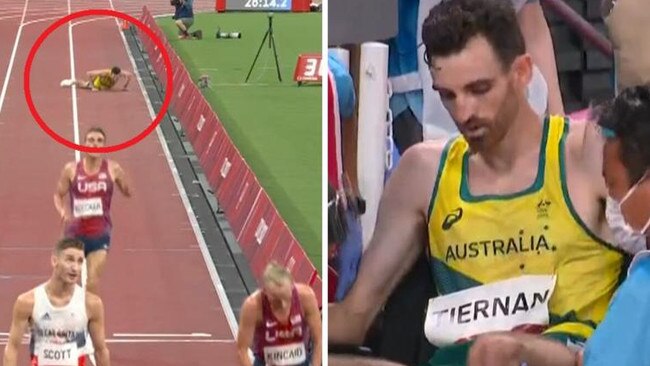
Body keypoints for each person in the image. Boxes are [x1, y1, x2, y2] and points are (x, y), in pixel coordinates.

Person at [328, 0, 628, 365]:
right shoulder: (422, 173)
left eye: (479, 89)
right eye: (448, 95)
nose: (463, 113)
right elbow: (355, 318)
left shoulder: (590, 153)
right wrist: (293, 311)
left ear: (522, 72)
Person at [2, 238, 110, 366]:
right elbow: (12, 348)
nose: (75, 268)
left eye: (80, 261)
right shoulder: (28, 302)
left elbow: (100, 351)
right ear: (54, 261)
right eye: (69, 259)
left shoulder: (91, 304)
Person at [53, 127, 132, 295]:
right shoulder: (71, 169)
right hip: (74, 233)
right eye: (91, 140)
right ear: (84, 144)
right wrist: (62, 211)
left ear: (104, 145)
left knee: (93, 281)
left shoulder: (113, 168)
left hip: (99, 233)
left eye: (99, 141)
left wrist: (125, 185)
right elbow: (58, 195)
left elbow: (128, 192)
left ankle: (89, 319)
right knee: (65, 281)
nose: (95, 145)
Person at [236, 261, 322, 366]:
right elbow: (242, 349)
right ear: (265, 292)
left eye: (287, 298)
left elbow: (319, 339)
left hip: (300, 361)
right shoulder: (253, 306)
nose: (283, 305)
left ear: (292, 286)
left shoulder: (306, 297)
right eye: (276, 300)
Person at [59, 66, 132, 92]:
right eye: (114, 76)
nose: (115, 77)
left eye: (117, 76)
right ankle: (72, 81)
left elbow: (129, 76)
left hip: (108, 84)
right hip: (99, 81)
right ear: (111, 73)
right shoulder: (104, 72)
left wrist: (125, 86)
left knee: (107, 89)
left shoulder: (121, 74)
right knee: (85, 85)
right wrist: (93, 86)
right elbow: (89, 73)